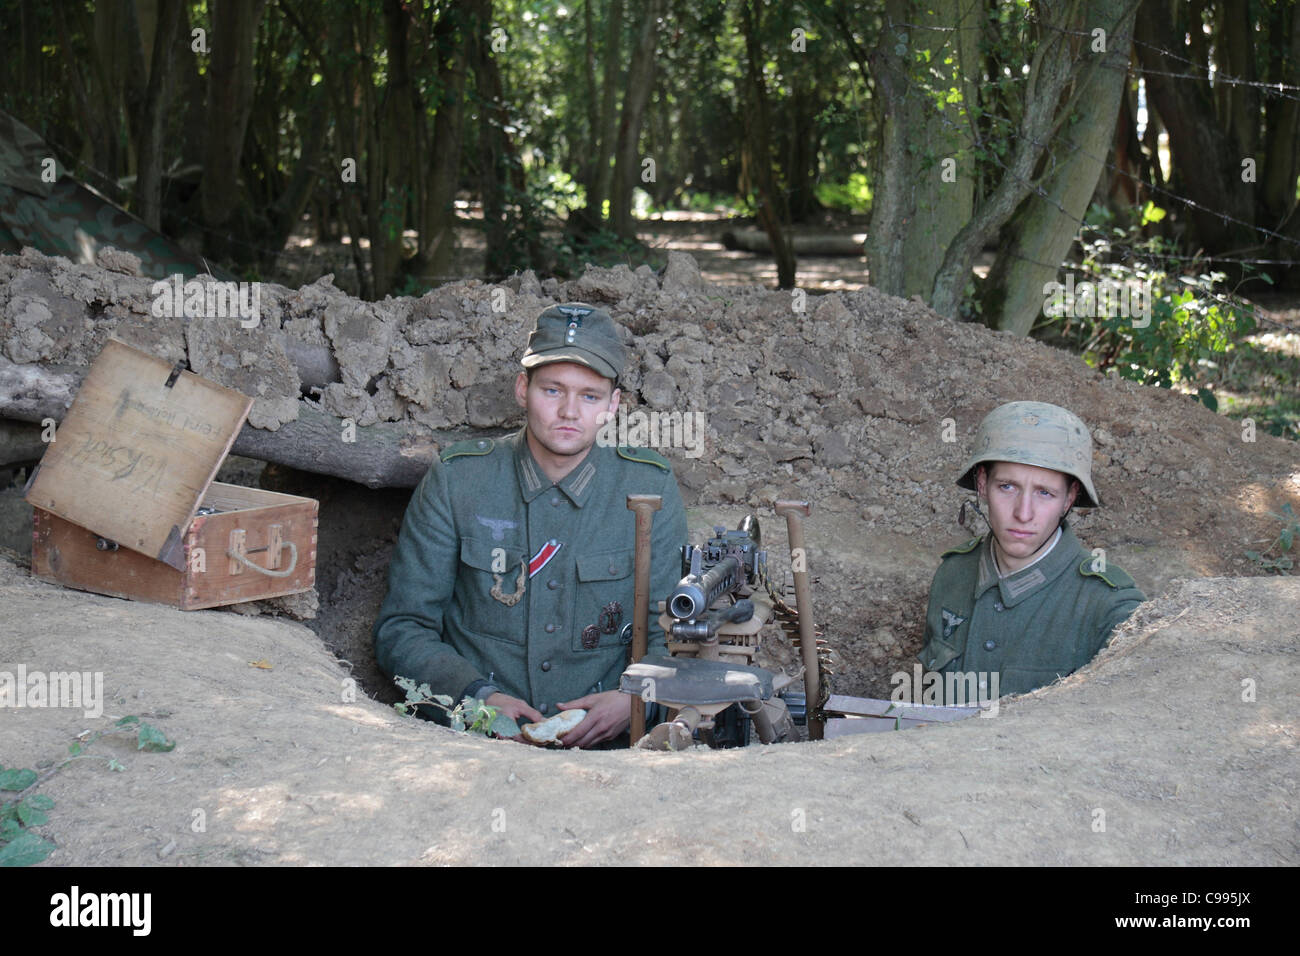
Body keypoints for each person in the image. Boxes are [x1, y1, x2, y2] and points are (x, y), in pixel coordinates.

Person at [373, 302, 688, 748]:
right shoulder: (459, 480)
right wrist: (477, 697)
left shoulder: (649, 489)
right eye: (553, 390)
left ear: (613, 405)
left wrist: (635, 699)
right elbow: (402, 628)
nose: (569, 411)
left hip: (613, 760)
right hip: (476, 746)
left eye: (590, 396)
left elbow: (673, 629)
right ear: (523, 389)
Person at [918, 401, 1145, 703]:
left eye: (1044, 493)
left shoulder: (1109, 606)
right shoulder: (954, 574)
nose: (1024, 513)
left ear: (1069, 498)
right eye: (1007, 487)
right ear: (983, 484)